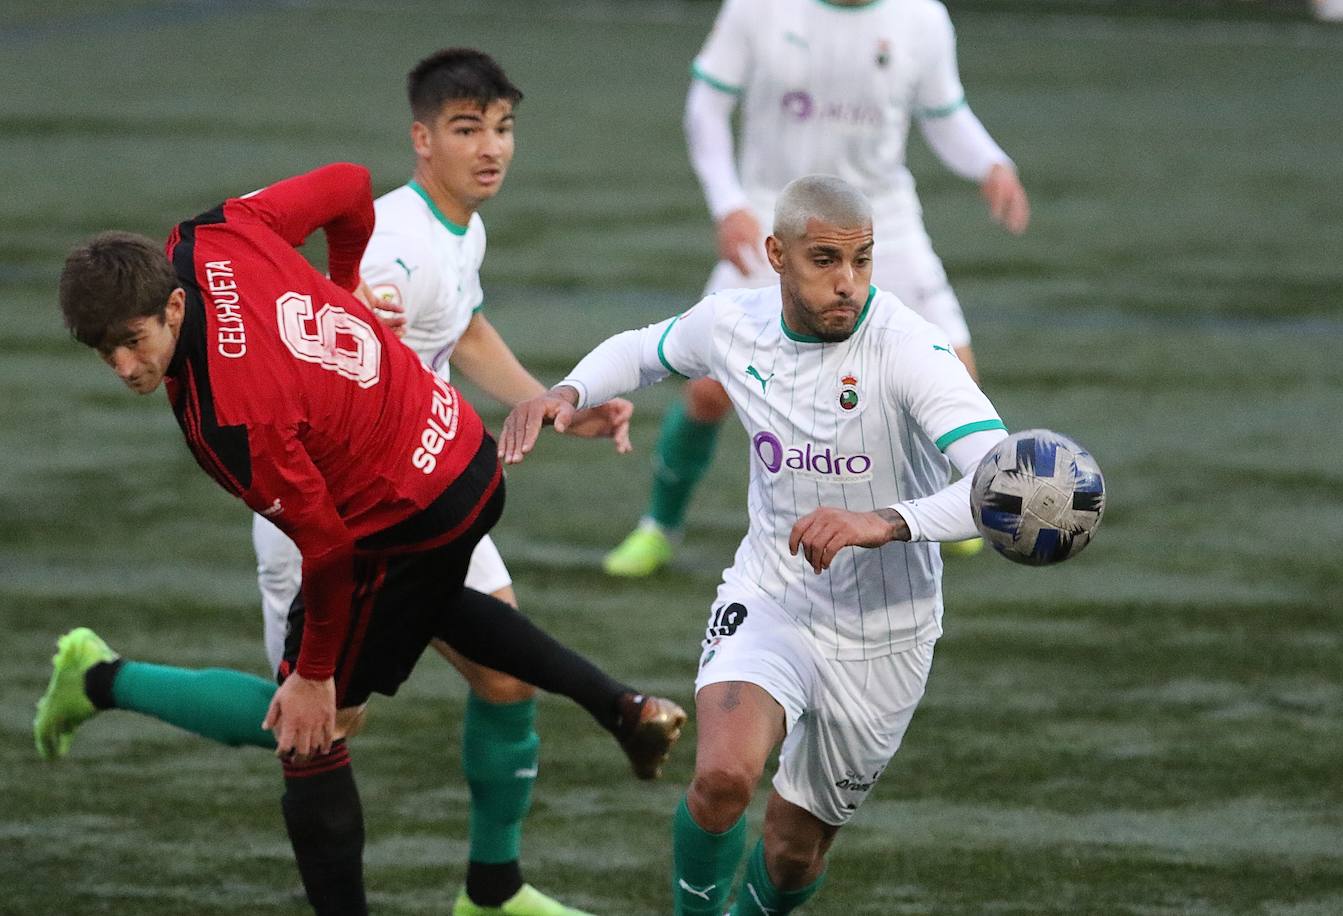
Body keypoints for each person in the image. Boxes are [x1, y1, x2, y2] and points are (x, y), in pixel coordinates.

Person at [40, 160, 686, 916]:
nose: (122, 366)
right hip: (460, 460)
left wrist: (314, 672)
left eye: (131, 340)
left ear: (174, 305)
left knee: (306, 731)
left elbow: (328, 547)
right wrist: (342, 281)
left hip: (385, 518)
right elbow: (348, 182)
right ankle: (614, 709)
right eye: (102, 351)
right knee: (419, 618)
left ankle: (99, 679)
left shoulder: (230, 418)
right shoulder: (214, 232)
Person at [501, 175, 1011, 915]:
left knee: (791, 849)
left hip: (886, 635)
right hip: (771, 597)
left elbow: (1002, 483)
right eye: (826, 260)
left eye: (863, 260)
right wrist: (570, 392)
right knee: (721, 780)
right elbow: (645, 350)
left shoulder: (907, 350)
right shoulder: (733, 325)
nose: (849, 284)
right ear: (776, 254)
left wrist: (886, 521)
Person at [246, 47, 627, 916]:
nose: (490, 148)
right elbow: (323, 348)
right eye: (467, 129)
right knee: (313, 731)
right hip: (333, 523)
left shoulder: (463, 229)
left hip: (424, 498)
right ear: (422, 139)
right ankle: (106, 679)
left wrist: (551, 404)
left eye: (502, 129)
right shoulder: (390, 242)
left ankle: (492, 891)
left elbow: (464, 330)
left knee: (505, 675)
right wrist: (350, 314)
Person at [603, 0, 1028, 578]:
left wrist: (991, 163)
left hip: (882, 227)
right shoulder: (755, 9)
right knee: (707, 390)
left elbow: (944, 112)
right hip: (775, 219)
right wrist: (728, 204)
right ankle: (658, 526)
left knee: (957, 370)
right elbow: (706, 106)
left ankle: (935, 510)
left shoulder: (921, 17)